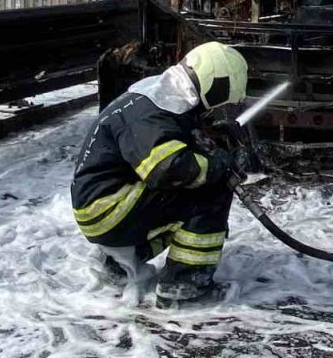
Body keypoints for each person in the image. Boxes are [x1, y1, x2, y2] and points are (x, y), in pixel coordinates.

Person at [70, 41, 250, 309]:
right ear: (216, 84)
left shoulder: (162, 95)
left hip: (106, 203)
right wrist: (221, 164)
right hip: (107, 210)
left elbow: (175, 139)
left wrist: (214, 136)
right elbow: (168, 169)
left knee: (178, 207)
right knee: (210, 191)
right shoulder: (150, 114)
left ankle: (117, 264)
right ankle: (184, 286)